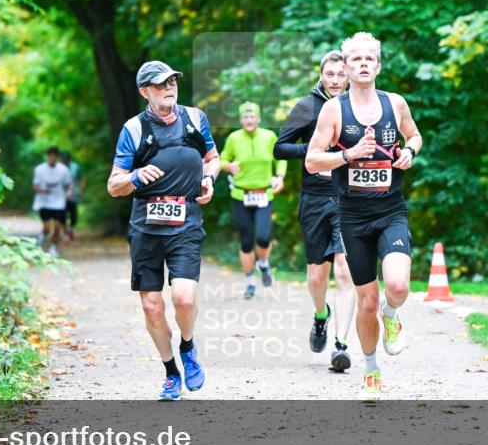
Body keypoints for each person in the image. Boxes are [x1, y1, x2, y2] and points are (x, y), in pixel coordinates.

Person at [305, 32, 423, 401]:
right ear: (346, 66)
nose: (363, 64)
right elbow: (312, 161)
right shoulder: (334, 110)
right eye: (355, 59)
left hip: (390, 210)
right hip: (352, 217)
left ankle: (393, 313)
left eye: (369, 58)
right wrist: (349, 154)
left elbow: (415, 136)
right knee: (365, 301)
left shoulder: (396, 103)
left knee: (398, 286)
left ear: (379, 65)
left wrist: (409, 152)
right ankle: (371, 371)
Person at [107, 60, 220, 401]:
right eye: (160, 84)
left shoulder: (195, 119)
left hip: (186, 221)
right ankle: (171, 372)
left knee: (184, 297)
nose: (169, 87)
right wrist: (136, 177)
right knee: (152, 306)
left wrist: (208, 178)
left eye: (172, 81)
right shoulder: (134, 129)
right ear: (145, 92)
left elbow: (212, 157)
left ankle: (187, 346)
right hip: (146, 227)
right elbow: (114, 186)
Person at [275, 50, 355, 372]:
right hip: (315, 198)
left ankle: (341, 345)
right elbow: (279, 148)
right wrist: (313, 150)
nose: (336, 80)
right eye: (330, 74)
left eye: (341, 74)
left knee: (345, 270)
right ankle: (321, 315)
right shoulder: (307, 107)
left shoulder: (358, 107)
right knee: (317, 274)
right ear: (322, 75)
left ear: (349, 76)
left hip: (349, 198)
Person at [219, 102, 286, 300]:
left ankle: (263, 263)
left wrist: (280, 176)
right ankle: (249, 282)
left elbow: (280, 158)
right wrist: (228, 166)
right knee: (246, 241)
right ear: (241, 120)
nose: (249, 120)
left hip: (264, 194)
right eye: (245, 117)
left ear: (258, 119)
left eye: (252, 117)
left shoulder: (269, 136)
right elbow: (221, 159)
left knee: (264, 237)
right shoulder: (234, 138)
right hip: (241, 195)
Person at [32, 147, 73, 258]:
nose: (52, 158)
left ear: (57, 157)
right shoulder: (39, 169)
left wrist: (69, 192)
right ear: (47, 156)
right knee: (47, 228)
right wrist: (42, 190)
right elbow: (35, 186)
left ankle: (53, 247)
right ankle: (42, 237)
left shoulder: (63, 169)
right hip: (44, 201)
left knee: (58, 226)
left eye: (54, 156)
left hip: (58, 202)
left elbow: (69, 183)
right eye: (50, 156)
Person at [62, 152, 84, 241]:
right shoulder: (59, 167)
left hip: (73, 194)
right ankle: (65, 231)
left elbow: (82, 178)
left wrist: (81, 189)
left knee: (73, 213)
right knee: (62, 214)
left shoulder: (75, 167)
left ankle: (70, 228)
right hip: (61, 195)